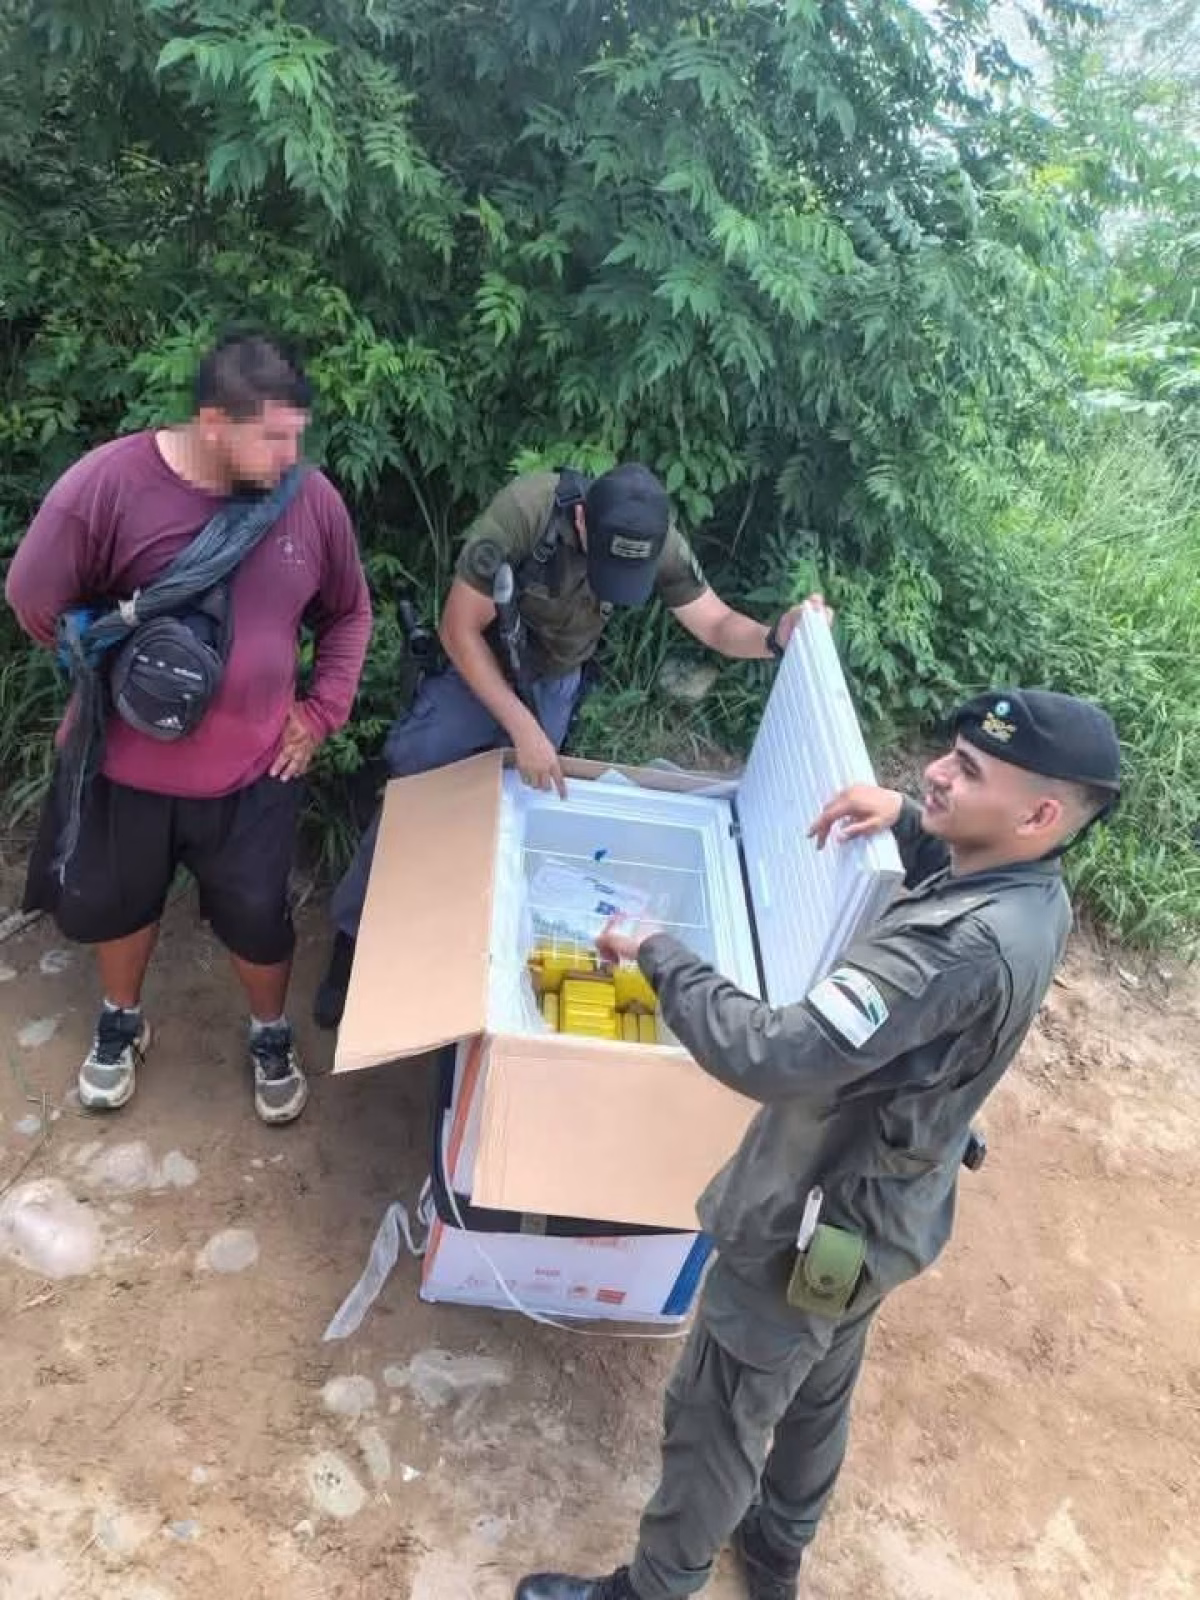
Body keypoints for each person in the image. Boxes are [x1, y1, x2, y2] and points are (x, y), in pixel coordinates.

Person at [513, 687, 1121, 1600]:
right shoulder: (1035, 897)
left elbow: (775, 1052)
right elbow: (966, 895)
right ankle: (777, 1547)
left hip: (818, 1212)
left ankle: (653, 1588)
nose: (934, 773)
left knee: (720, 1404)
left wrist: (657, 950)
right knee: (819, 1375)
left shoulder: (950, 954)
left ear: (1038, 813)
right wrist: (916, 824)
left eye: (967, 772)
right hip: (885, 1212)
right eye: (948, 754)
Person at [5, 333, 371, 1125]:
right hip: (121, 764)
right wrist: (108, 662)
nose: (290, 454)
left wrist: (319, 713)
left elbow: (349, 613)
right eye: (273, 436)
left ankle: (269, 1035)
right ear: (213, 422)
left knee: (259, 919)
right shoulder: (105, 485)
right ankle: (121, 1022)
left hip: (256, 772)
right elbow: (33, 598)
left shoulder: (310, 502)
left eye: (296, 434)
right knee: (119, 904)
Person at [315, 460, 823, 1028]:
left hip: (554, 679)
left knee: (516, 812)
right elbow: (457, 629)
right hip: (475, 667)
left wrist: (775, 638)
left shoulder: (656, 539)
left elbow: (716, 624)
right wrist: (522, 728)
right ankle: (353, 940)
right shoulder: (524, 514)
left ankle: (461, 952)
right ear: (581, 519)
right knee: (419, 796)